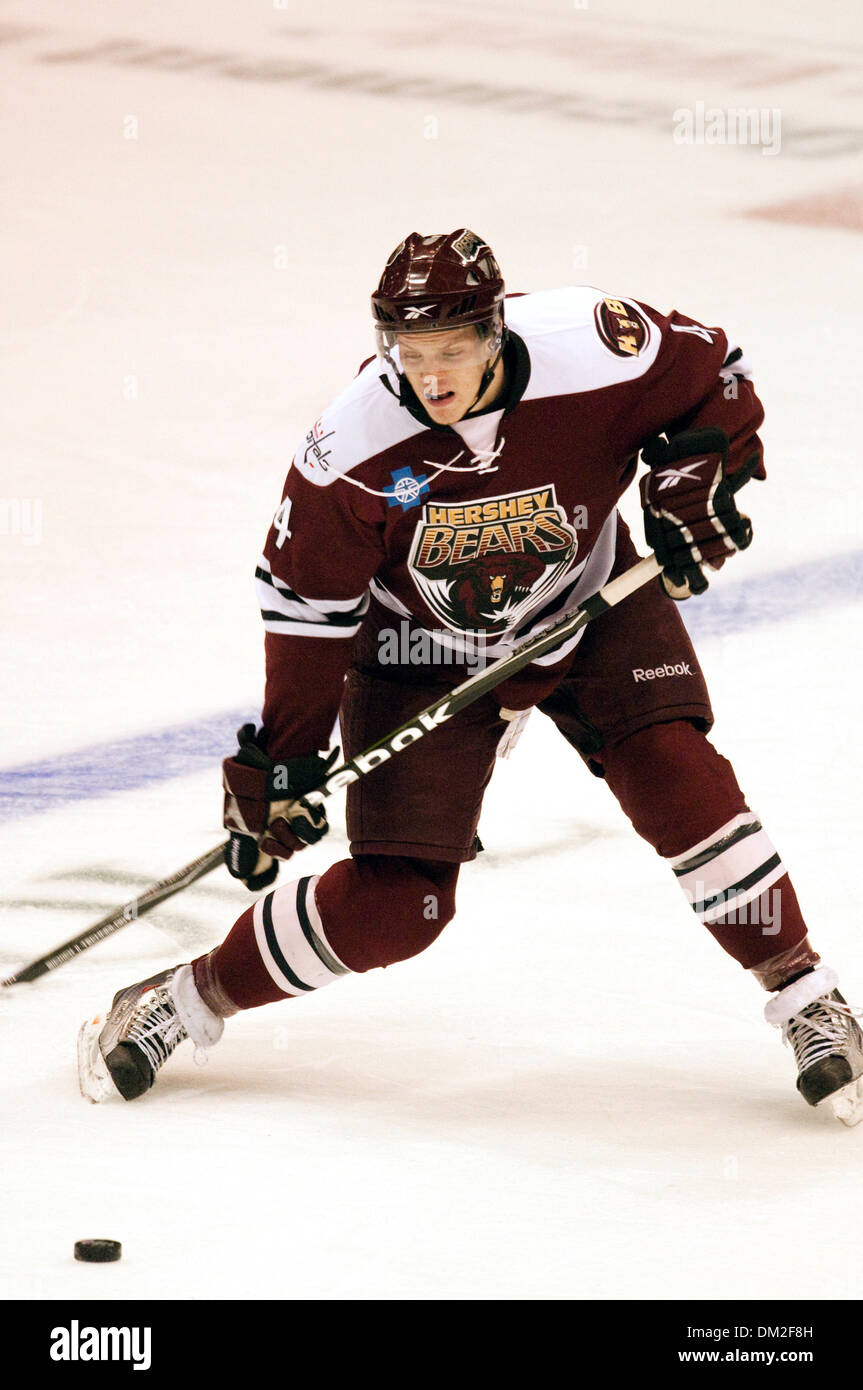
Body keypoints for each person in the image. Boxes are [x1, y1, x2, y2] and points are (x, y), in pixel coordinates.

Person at [78, 228, 863, 1122]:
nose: (432, 376)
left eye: (452, 350)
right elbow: (303, 607)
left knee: (675, 774)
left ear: (496, 330)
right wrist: (286, 764)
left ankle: (807, 996)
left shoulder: (595, 347)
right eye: (411, 354)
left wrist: (696, 477)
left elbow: (718, 378)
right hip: (419, 648)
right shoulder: (352, 446)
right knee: (397, 908)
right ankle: (180, 999)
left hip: (588, 598)